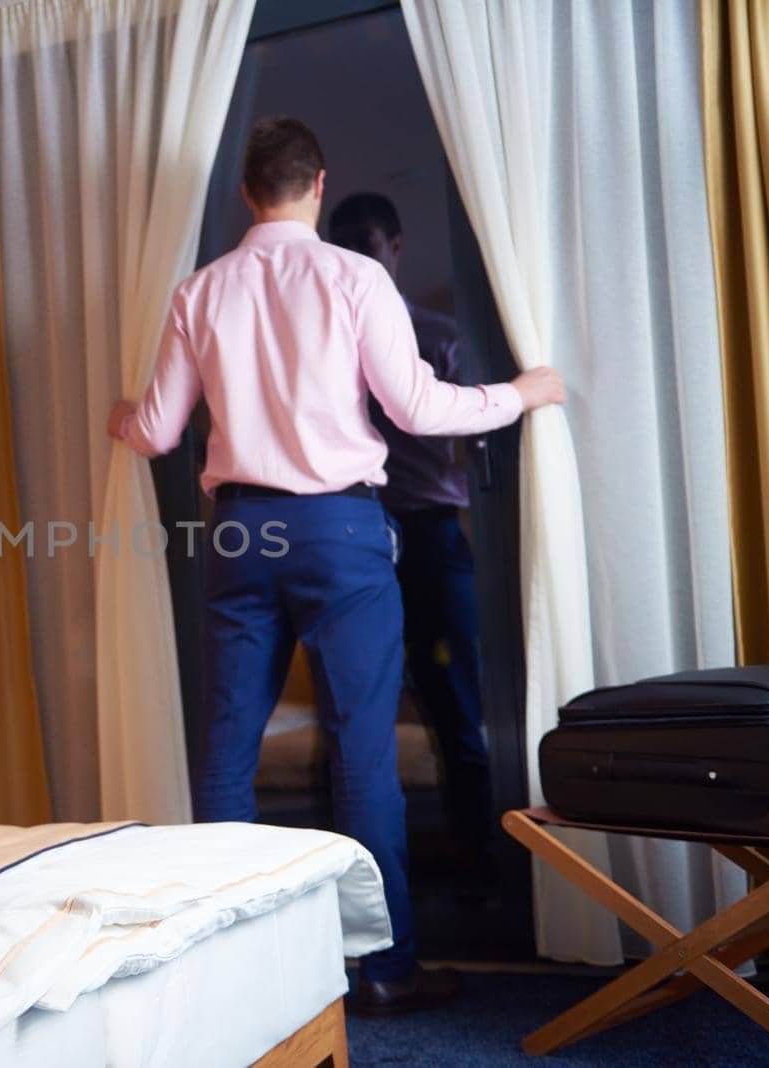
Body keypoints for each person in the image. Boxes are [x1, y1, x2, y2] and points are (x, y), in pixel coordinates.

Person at [107, 118, 563, 1014]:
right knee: (364, 755)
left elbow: (157, 433)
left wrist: (120, 417)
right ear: (317, 186)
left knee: (227, 757)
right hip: (340, 534)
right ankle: (386, 972)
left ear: (247, 192)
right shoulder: (355, 276)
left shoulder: (198, 291)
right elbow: (418, 406)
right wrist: (521, 395)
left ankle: (232, 972)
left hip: (239, 535)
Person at [328, 192, 494, 858]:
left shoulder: (442, 337)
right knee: (350, 703)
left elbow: (463, 436)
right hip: (357, 532)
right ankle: (351, 863)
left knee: (458, 697)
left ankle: (481, 861)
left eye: (367, 247)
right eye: (346, 250)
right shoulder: (323, 349)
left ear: (394, 248)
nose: (358, 262)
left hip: (430, 534)